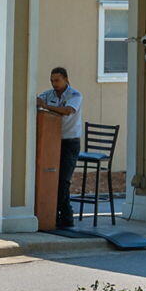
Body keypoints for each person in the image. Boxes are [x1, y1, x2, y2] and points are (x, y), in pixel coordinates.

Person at [37, 67, 83, 229]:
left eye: (57, 80)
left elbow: (68, 110)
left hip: (69, 142)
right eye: (52, 80)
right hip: (51, 141)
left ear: (66, 79)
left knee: (63, 180)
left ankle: (66, 215)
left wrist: (47, 107)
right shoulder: (48, 94)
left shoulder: (75, 95)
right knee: (51, 179)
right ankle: (53, 214)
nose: (54, 84)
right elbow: (36, 101)